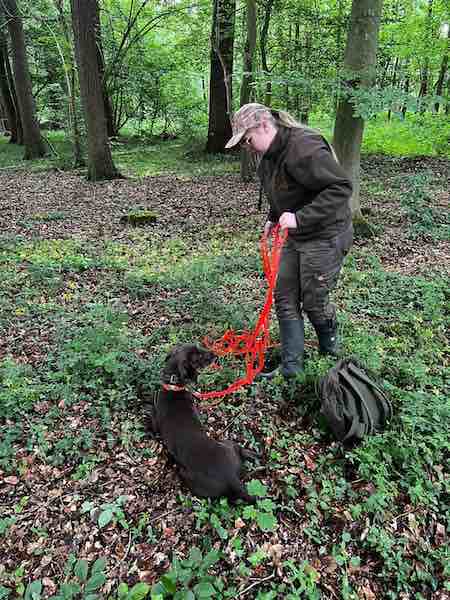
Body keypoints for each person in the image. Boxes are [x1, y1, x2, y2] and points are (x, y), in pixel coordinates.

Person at [225, 103, 353, 378]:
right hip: (295, 235)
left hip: (325, 234)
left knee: (314, 301)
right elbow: (283, 190)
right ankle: (291, 368)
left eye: (247, 140)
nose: (247, 147)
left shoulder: (303, 147)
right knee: (284, 295)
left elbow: (341, 187)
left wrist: (300, 218)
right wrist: (274, 216)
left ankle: (330, 355)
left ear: (263, 126)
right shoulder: (268, 154)